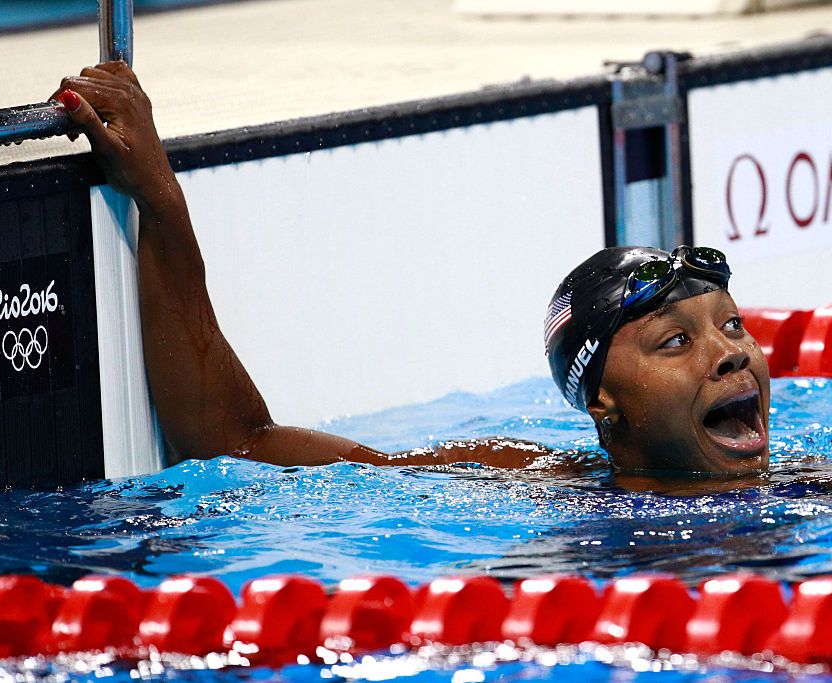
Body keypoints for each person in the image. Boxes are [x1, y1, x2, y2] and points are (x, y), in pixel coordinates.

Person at [51, 62, 770, 479]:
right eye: (676, 341)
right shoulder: (521, 482)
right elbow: (236, 440)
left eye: (732, 324)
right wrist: (159, 196)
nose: (732, 350)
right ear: (604, 406)